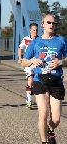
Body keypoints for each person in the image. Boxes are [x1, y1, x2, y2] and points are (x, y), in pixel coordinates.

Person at [21, 14, 67, 144]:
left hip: (56, 81)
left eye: (54, 23)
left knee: (56, 118)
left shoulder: (61, 40)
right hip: (39, 80)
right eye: (49, 22)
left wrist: (61, 62)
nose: (52, 25)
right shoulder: (35, 42)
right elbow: (23, 61)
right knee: (43, 114)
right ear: (42, 24)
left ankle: (51, 131)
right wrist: (32, 61)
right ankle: (44, 141)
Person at [18, 23, 39, 109]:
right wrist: (20, 58)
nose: (35, 32)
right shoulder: (26, 39)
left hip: (37, 63)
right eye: (34, 30)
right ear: (30, 30)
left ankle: (34, 94)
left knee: (36, 82)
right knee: (30, 80)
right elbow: (20, 48)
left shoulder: (40, 39)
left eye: (36, 30)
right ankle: (29, 100)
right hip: (28, 63)